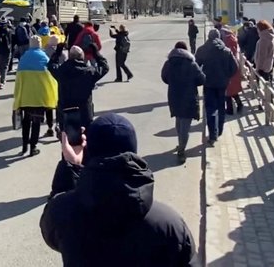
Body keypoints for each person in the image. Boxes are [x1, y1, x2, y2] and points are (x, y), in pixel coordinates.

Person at [40, 113, 200, 266]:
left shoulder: (65, 212)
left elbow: (50, 230)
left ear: (90, 150)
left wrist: (71, 166)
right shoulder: (169, 224)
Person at [161, 41, 206, 164]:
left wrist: (173, 82)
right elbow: (201, 79)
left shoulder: (169, 63)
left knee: (179, 120)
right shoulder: (191, 64)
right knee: (185, 125)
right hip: (189, 97)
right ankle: (181, 150)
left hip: (174, 96)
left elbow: (164, 77)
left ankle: (180, 143)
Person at [13, 37, 58, 156]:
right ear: (39, 45)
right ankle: (33, 147)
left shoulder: (23, 58)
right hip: (39, 97)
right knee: (36, 122)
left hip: (25, 96)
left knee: (26, 122)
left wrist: (17, 96)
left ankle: (24, 147)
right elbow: (51, 78)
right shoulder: (44, 57)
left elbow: (18, 80)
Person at [50, 45, 109, 129]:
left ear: (69, 57)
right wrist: (96, 54)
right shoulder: (89, 72)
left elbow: (51, 65)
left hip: (66, 112)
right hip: (84, 113)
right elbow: (104, 67)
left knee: (66, 138)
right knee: (86, 138)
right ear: (82, 57)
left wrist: (57, 52)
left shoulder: (61, 71)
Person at [195, 29, 237, 145]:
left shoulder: (202, 49)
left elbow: (195, 67)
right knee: (221, 107)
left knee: (210, 109)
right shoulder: (226, 51)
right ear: (219, 37)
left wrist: (202, 76)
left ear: (208, 37)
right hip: (222, 84)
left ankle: (212, 135)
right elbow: (234, 67)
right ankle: (219, 131)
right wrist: (226, 76)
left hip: (208, 83)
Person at [0, 19, 14, 89]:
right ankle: (2, 80)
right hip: (7, 51)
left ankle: (2, 78)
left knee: (1, 65)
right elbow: (12, 41)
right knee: (5, 66)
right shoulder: (9, 31)